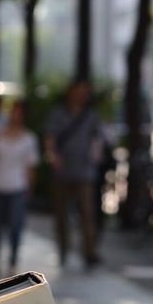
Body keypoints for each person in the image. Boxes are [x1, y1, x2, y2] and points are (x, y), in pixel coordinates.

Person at [44, 80, 103, 269]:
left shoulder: (90, 116)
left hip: (84, 171)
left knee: (87, 213)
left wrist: (95, 155)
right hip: (63, 171)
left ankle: (89, 252)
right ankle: (63, 248)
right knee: (61, 214)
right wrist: (53, 157)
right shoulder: (58, 114)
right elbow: (50, 138)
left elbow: (97, 138)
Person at [0, 100, 38, 277]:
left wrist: (29, 187)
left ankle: (13, 259)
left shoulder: (29, 139)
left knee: (15, 226)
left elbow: (30, 166)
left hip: (17, 187)